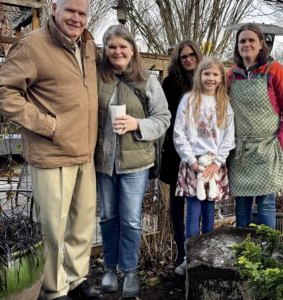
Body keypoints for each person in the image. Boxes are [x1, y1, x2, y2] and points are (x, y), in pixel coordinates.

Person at [0, 0, 100, 299]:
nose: (77, 19)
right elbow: (1, 92)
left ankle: (77, 280)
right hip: (51, 155)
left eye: (82, 13)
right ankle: (54, 289)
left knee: (82, 224)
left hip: (84, 152)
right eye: (70, 11)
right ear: (54, 9)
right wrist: (48, 126)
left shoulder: (88, 46)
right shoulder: (32, 46)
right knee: (52, 229)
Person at [95, 24, 170, 298]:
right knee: (107, 217)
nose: (117, 51)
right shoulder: (96, 78)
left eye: (123, 47)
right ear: (105, 49)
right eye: (112, 47)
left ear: (132, 50)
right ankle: (109, 269)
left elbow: (163, 118)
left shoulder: (148, 80)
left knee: (130, 220)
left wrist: (136, 123)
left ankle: (130, 271)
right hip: (104, 161)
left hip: (136, 163)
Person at [227, 23, 283, 229]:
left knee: (266, 203)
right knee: (241, 204)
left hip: (267, 148)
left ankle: (267, 253)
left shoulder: (274, 70)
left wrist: (281, 141)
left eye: (251, 40)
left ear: (261, 45)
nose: (246, 44)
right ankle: (245, 252)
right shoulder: (231, 75)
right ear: (237, 46)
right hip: (239, 150)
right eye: (242, 41)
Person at [173, 57, 235, 275]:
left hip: (214, 165)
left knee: (209, 211)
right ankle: (189, 257)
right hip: (193, 163)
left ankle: (207, 256)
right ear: (199, 75)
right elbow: (178, 133)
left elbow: (229, 137)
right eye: (206, 73)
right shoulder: (189, 100)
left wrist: (217, 163)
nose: (211, 78)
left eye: (215, 74)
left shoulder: (224, 104)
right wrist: (191, 161)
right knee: (192, 212)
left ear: (221, 78)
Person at [160, 40, 203, 269]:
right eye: (183, 56)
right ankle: (180, 251)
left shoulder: (207, 81)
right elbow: (165, 117)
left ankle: (198, 250)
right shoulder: (170, 83)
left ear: (198, 55)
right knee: (177, 204)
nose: (188, 59)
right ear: (178, 59)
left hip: (202, 152)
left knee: (199, 202)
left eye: (191, 55)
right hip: (177, 152)